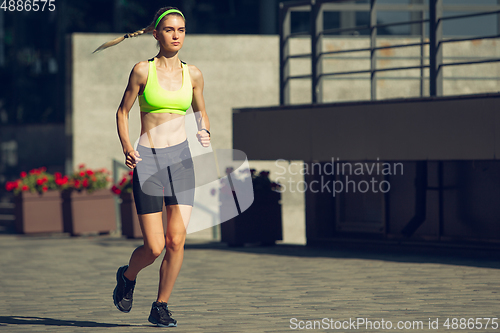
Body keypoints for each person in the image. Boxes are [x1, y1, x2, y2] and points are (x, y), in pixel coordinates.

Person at [95, 7, 210, 327]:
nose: (177, 35)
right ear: (156, 34)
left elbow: (201, 112)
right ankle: (128, 275)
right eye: (171, 30)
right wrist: (127, 147)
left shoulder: (195, 74)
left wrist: (204, 130)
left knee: (177, 241)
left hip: (182, 162)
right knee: (155, 246)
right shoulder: (142, 71)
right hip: (149, 162)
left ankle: (161, 305)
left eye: (182, 30)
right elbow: (122, 112)